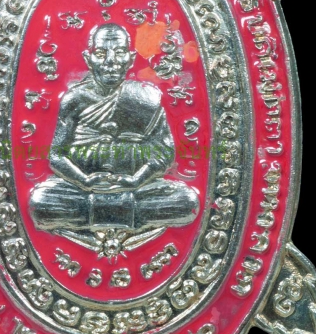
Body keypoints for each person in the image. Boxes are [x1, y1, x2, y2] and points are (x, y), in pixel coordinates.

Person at [29, 23, 199, 245]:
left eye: (119, 53)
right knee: (40, 202)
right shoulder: (74, 99)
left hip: (138, 188)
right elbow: (56, 156)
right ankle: (125, 214)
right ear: (88, 59)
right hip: (83, 190)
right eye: (101, 53)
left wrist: (136, 180)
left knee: (187, 201)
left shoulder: (146, 97)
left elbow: (164, 153)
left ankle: (99, 214)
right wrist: (84, 180)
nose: (110, 61)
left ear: (130, 59)